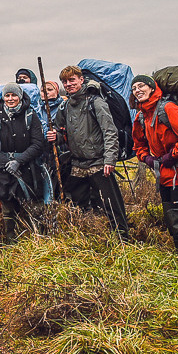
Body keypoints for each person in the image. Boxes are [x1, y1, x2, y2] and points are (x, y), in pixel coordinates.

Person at [48, 66, 130, 240]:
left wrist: (110, 160)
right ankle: (86, 235)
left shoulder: (96, 102)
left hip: (99, 162)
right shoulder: (65, 106)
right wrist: (56, 136)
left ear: (81, 80)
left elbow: (110, 132)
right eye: (65, 81)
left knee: (111, 204)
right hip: (78, 163)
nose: (68, 84)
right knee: (78, 203)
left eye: (72, 80)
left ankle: (123, 238)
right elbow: (62, 132)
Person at [130, 75, 178, 251]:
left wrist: (173, 155)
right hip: (164, 173)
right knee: (171, 217)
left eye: (141, 86)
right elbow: (138, 144)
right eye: (134, 88)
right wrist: (146, 157)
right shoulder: (141, 116)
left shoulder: (168, 109)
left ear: (152, 88)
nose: (137, 90)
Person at [0, 83, 46, 241]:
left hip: (28, 168)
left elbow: (38, 144)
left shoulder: (30, 116)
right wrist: (5, 162)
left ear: (20, 96)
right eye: (7, 95)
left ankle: (35, 236)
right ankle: (10, 238)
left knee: (32, 203)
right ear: (3, 98)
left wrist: (19, 161)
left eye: (13, 95)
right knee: (6, 203)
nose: (10, 99)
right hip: (4, 168)